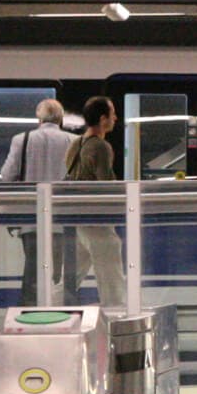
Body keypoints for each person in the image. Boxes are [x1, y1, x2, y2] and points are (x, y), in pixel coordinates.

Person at [0, 98, 75, 305]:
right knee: (59, 272)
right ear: (60, 119)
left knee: (32, 269)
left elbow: (7, 175)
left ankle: (30, 311)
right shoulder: (73, 141)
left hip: (30, 218)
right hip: (63, 220)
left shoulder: (21, 140)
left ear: (39, 119)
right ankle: (59, 311)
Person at [63, 95, 126, 307]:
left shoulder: (76, 143)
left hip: (78, 219)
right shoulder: (100, 146)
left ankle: (50, 307)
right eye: (112, 113)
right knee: (111, 274)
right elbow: (106, 185)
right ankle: (116, 315)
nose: (116, 118)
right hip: (96, 219)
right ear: (102, 119)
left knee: (72, 277)